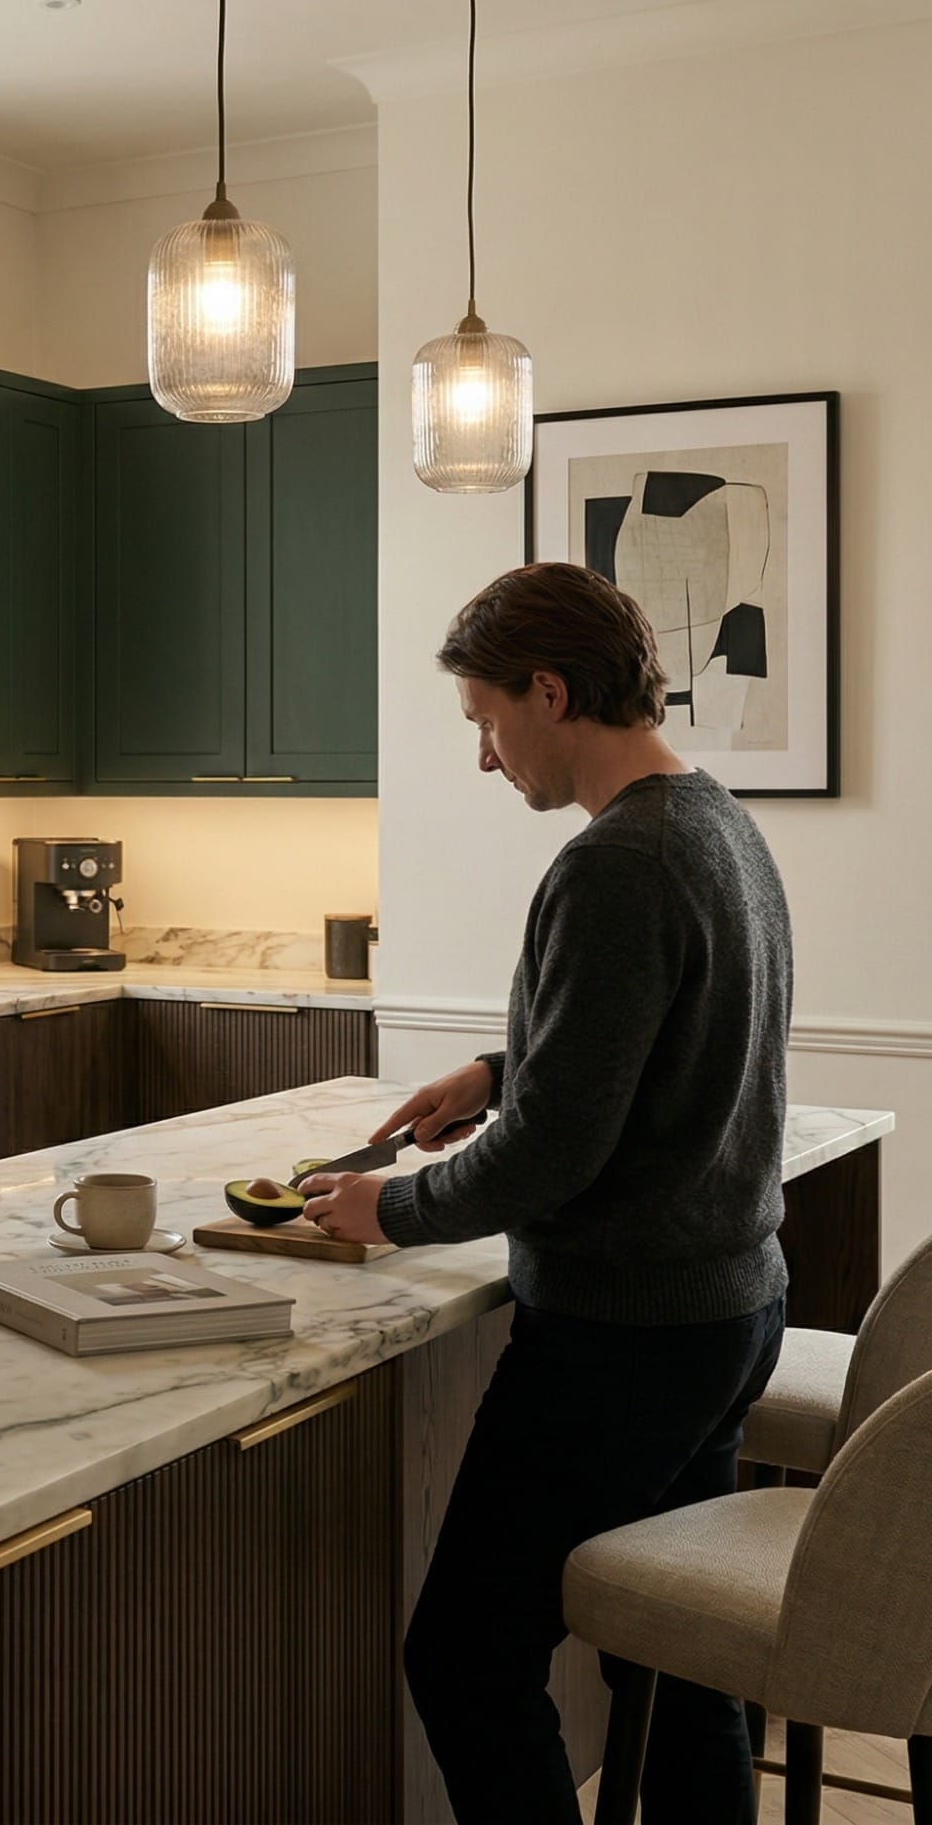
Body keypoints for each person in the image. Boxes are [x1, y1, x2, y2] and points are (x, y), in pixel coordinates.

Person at [297, 561, 791, 1825]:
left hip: (620, 1336)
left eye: (482, 720)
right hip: (725, 1310)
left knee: (462, 1658)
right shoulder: (714, 822)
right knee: (671, 1662)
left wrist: (387, 1210)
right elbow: (659, 1042)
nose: (482, 755)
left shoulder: (614, 863)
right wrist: (492, 1068)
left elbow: (554, 1152)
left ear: (550, 692)